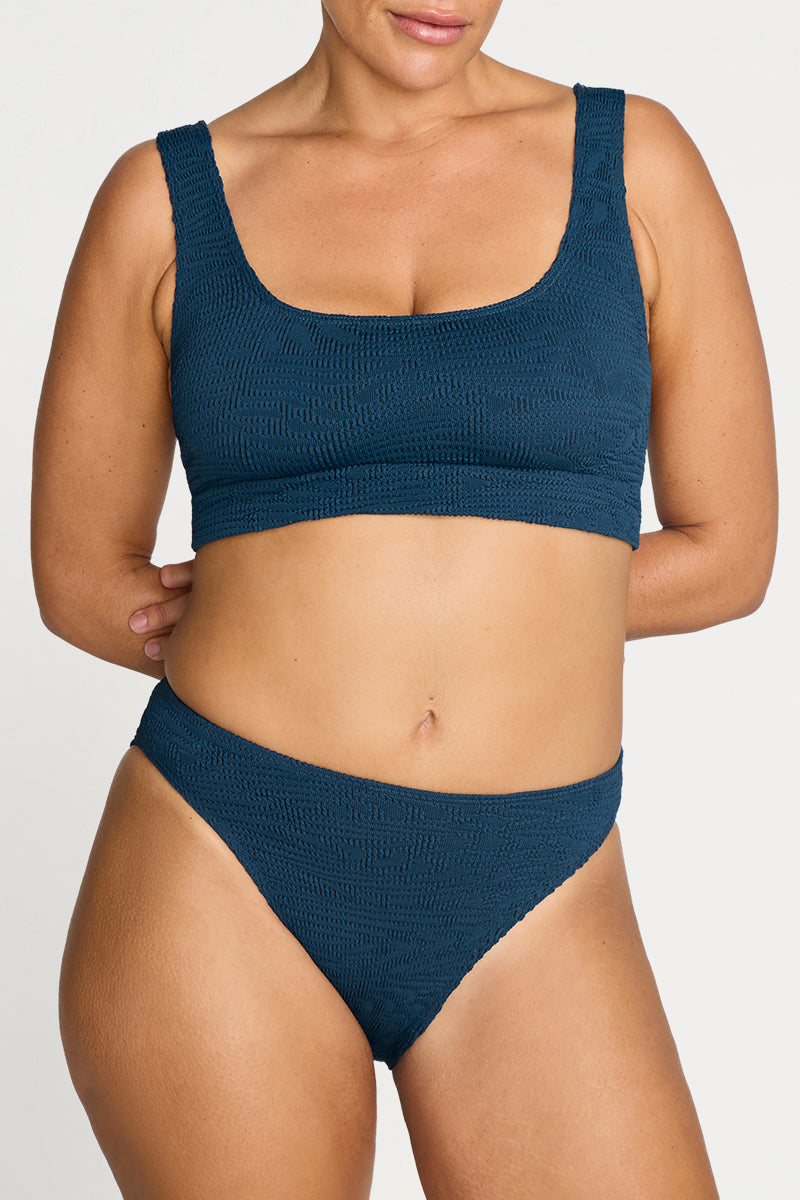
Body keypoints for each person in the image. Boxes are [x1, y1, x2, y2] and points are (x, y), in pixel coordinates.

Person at [30, 2, 778, 1197]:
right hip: (223, 858)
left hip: (536, 881)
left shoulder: (634, 166)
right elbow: (78, 577)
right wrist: (289, 607)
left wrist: (450, 602)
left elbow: (728, 551)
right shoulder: (162, 201)